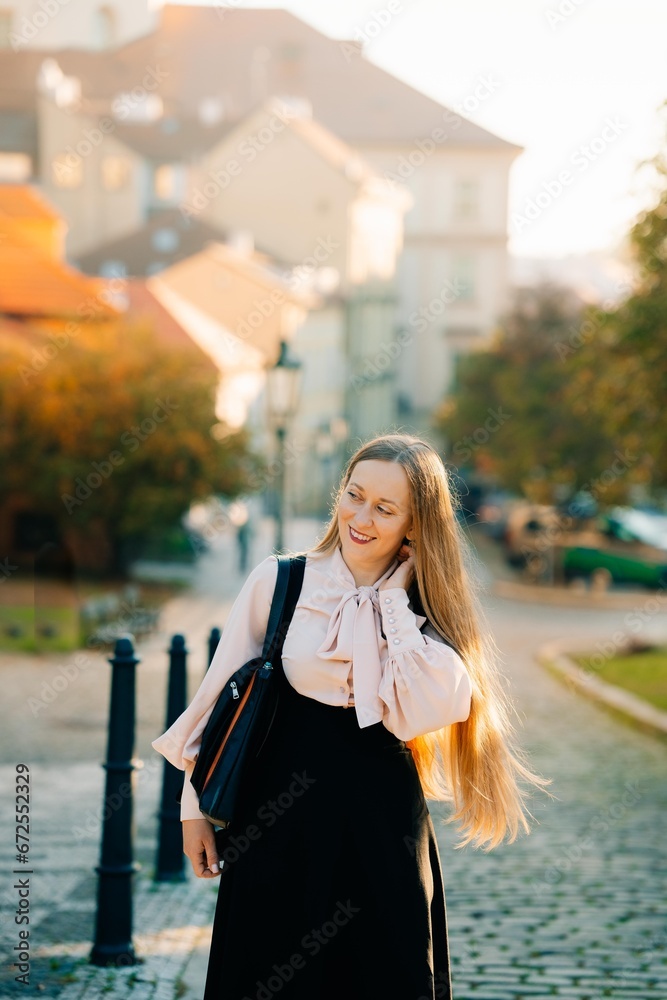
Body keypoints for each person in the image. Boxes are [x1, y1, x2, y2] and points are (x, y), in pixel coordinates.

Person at [152, 433, 551, 1000]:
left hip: (382, 832)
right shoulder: (281, 580)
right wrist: (193, 809)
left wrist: (393, 603)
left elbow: (425, 710)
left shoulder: (423, 610)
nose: (361, 517)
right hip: (277, 827)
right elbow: (217, 701)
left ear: (416, 524)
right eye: (354, 495)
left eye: (385, 509)